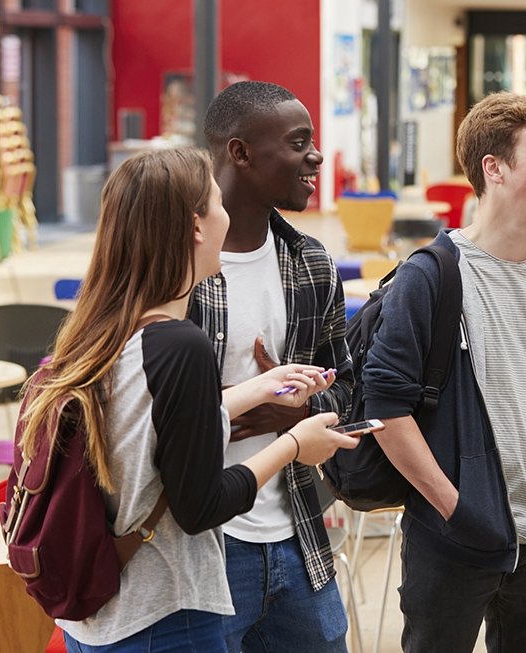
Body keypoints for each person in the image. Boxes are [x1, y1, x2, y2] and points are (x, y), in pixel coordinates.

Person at [19, 147, 359, 651]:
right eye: (217, 204)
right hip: (164, 615)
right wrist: (294, 445)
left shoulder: (106, 330)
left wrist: (258, 389)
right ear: (196, 227)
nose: (228, 217)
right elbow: (201, 505)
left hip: (102, 619)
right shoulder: (182, 345)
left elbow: (148, 434)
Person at [360, 92, 526, 653]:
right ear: (493, 169)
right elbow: (385, 407)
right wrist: (458, 512)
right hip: (453, 542)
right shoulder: (429, 278)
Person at [192, 80, 355, 652]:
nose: (315, 156)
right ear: (240, 152)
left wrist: (299, 410)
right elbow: (134, 401)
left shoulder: (309, 263)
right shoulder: (175, 266)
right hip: (202, 548)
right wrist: (242, 396)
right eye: (298, 142)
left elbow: (351, 390)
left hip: (298, 534)